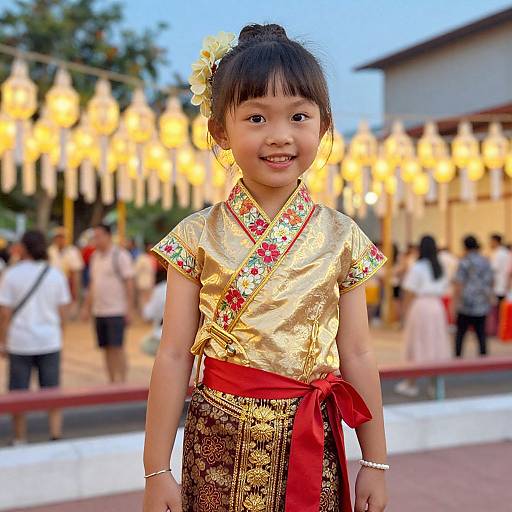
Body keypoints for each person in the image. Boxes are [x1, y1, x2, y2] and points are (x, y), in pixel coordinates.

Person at [143, 24, 389, 512]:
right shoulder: (196, 236)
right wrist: (156, 470)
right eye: (256, 118)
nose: (280, 136)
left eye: (299, 115)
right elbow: (173, 356)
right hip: (217, 444)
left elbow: (357, 353)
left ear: (323, 125)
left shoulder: (342, 238)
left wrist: (376, 462)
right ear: (220, 130)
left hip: (312, 438)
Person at [0, 231, 70, 444]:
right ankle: (55, 433)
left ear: (23, 248)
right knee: (52, 389)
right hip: (49, 339)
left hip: (20, 341)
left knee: (18, 392)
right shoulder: (55, 274)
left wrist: (3, 340)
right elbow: (63, 311)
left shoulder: (11, 275)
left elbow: (5, 313)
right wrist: (59, 333)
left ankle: (20, 437)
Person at [395, 235, 450, 397]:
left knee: (417, 344)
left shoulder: (418, 267)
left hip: (421, 307)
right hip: (437, 307)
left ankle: (411, 383)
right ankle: (436, 385)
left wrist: (404, 314)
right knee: (435, 345)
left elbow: (409, 293)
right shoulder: (440, 266)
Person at [81, 224, 135, 383]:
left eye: (98, 236)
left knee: (117, 347)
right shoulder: (95, 257)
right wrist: (86, 307)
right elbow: (92, 283)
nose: (95, 240)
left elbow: (129, 283)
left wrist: (129, 309)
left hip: (116, 310)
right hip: (99, 310)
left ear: (108, 236)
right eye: (94, 237)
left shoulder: (120, 255)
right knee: (105, 348)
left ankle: (122, 381)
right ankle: (112, 381)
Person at [453, 235, 494, 357]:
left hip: (466, 302)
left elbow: (459, 283)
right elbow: (491, 280)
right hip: (481, 301)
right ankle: (483, 355)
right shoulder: (485, 261)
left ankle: (458, 355)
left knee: (461, 333)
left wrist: (455, 302)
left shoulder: (464, 261)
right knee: (481, 332)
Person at [48, 226, 84, 314]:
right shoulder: (50, 251)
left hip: (68, 282)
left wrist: (76, 289)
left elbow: (76, 272)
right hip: (52, 283)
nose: (60, 240)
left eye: (62, 237)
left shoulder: (72, 251)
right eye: (58, 237)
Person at [140, 267, 167, 357]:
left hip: (160, 336)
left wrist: (144, 298)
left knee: (144, 344)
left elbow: (147, 315)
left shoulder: (159, 290)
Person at [489, 233, 512, 326]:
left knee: (499, 309)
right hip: (505, 284)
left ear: (495, 241)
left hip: (498, 284)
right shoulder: (506, 253)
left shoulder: (498, 254)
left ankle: (499, 328)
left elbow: (493, 270)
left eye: (491, 241)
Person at [135, 243, 157, 313]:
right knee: (143, 300)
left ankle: (149, 314)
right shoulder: (142, 257)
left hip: (150, 282)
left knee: (150, 299)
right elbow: (136, 270)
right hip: (142, 282)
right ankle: (144, 314)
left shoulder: (152, 258)